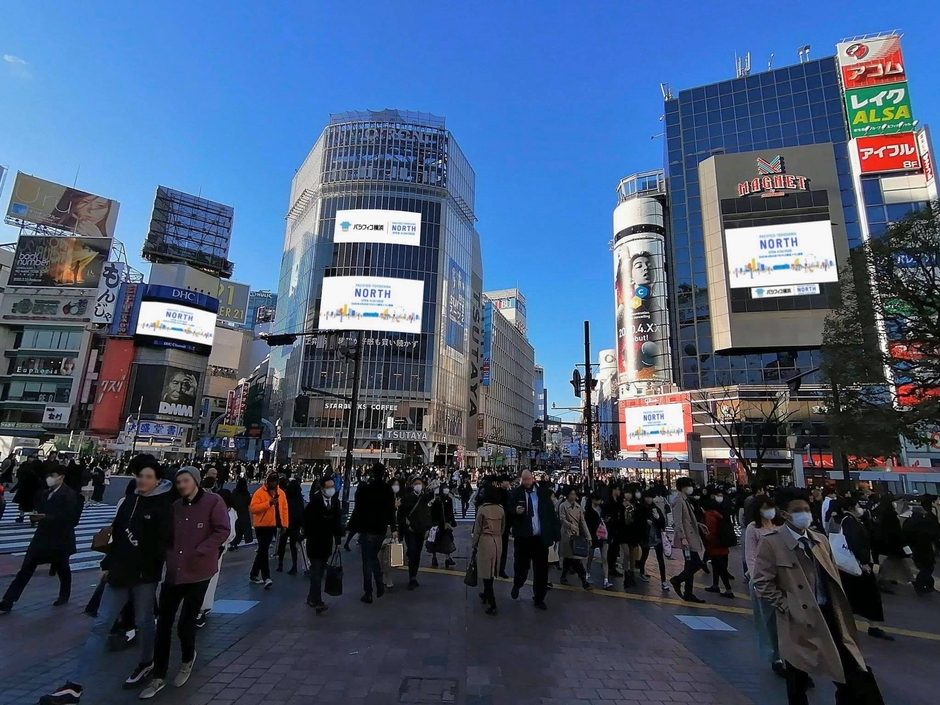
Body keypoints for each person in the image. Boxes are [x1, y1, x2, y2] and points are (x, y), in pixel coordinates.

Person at [40, 457, 174, 704]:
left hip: (144, 575)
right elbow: (117, 533)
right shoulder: (130, 501)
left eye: (148, 476)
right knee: (101, 624)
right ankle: (75, 685)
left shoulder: (164, 505)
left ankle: (146, 661)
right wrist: (108, 564)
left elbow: (164, 542)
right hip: (119, 573)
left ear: (157, 481)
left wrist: (142, 552)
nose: (142, 480)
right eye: (140, 475)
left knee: (144, 621)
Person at [752, 488, 884, 705]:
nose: (804, 514)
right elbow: (762, 582)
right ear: (784, 514)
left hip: (829, 614)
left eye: (806, 509)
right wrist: (787, 606)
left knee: (850, 668)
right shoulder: (772, 542)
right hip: (798, 619)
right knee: (798, 676)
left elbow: (833, 574)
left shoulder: (820, 540)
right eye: (797, 510)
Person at [139, 467, 230, 699]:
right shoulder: (175, 507)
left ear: (196, 482)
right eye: (179, 482)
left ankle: (187, 659)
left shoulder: (213, 501)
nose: (181, 485)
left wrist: (203, 550)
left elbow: (222, 530)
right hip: (174, 572)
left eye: (186, 481)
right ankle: (159, 674)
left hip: (199, 572)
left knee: (185, 623)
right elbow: (166, 535)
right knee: (164, 624)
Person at [1, 462, 82, 615]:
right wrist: (36, 517)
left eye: (52, 476)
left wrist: (45, 517)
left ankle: (64, 594)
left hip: (59, 539)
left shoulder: (70, 495)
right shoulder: (44, 493)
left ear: (61, 477)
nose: (49, 479)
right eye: (48, 476)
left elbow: (71, 518)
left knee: (62, 568)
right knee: (26, 569)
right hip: (41, 538)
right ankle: (8, 600)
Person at [834, 495, 894, 642]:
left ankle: (847, 625)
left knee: (851, 597)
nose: (859, 508)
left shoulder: (842, 520)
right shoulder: (850, 522)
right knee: (869, 596)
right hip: (856, 566)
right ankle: (871, 626)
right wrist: (864, 562)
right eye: (856, 505)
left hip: (847, 565)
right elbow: (855, 542)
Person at [744, 494, 786, 678]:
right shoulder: (753, 528)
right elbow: (750, 556)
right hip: (764, 580)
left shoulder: (781, 526)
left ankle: (790, 656)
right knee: (768, 620)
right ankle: (775, 657)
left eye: (771, 506)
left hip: (783, 579)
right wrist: (756, 580)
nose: (769, 511)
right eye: (764, 507)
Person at [508, 470, 560, 610]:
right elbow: (508, 511)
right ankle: (517, 584)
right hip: (523, 538)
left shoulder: (542, 494)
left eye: (528, 479)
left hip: (539, 538)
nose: (526, 482)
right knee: (521, 566)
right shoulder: (516, 494)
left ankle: (539, 598)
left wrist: (555, 533)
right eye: (524, 480)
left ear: (532, 479)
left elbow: (550, 515)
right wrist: (515, 511)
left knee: (541, 570)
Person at [347, 463, 396, 602]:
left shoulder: (366, 489)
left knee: (367, 560)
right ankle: (378, 582)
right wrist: (393, 527)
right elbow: (391, 510)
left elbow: (358, 510)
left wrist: (351, 526)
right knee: (372, 556)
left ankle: (369, 591)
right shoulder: (388, 490)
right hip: (381, 528)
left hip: (367, 528)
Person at [197, 489, 238, 629]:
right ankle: (203, 606)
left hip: (216, 549)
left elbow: (229, 534)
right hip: (214, 548)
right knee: (208, 578)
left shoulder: (228, 513)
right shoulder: (225, 512)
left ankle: (202, 608)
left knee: (208, 579)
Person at [303, 475, 343, 614]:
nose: (331, 489)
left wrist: (338, 540)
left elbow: (337, 522)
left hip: (327, 542)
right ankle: (317, 601)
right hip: (314, 542)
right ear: (322, 488)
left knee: (318, 572)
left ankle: (311, 597)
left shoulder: (335, 502)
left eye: (333, 486)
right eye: (328, 487)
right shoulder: (314, 502)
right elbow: (307, 522)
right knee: (317, 572)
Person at [248, 471, 289, 589]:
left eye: (275, 481)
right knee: (264, 550)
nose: (273, 483)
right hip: (261, 525)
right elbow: (253, 508)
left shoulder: (280, 493)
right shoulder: (259, 493)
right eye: (271, 481)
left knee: (262, 550)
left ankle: (254, 573)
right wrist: (268, 503)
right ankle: (267, 577)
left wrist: (284, 524)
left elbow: (284, 509)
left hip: (273, 525)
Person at [670, 477, 707, 604]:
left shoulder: (685, 500)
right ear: (682, 487)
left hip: (690, 536)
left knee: (690, 564)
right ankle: (677, 580)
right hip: (687, 538)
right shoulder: (679, 501)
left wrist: (698, 525)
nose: (691, 488)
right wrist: (683, 538)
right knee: (696, 563)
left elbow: (687, 520)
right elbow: (678, 521)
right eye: (688, 486)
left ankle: (688, 593)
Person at [472, 483, 506, 615]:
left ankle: (492, 602)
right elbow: (503, 528)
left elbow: (477, 529)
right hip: (497, 541)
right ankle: (486, 594)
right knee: (492, 569)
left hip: (485, 540)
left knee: (485, 571)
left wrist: (474, 543)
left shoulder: (482, 509)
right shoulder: (501, 509)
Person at [398, 475, 433, 590]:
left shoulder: (425, 498)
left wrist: (428, 528)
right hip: (410, 530)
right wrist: (401, 531)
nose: (418, 486)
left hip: (421, 530)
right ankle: (411, 578)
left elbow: (428, 514)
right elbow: (401, 514)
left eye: (420, 483)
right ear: (412, 486)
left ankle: (414, 575)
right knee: (413, 552)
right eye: (416, 484)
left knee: (417, 553)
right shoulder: (407, 498)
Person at [557, 488, 593, 590]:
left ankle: (564, 576)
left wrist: (588, 536)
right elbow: (562, 519)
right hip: (567, 535)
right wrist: (571, 526)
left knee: (571, 558)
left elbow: (583, 522)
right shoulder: (563, 506)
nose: (573, 496)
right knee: (574, 560)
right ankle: (584, 582)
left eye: (574, 494)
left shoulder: (578, 507)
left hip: (576, 535)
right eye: (571, 494)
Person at [905, 495, 940, 594]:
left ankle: (928, 584)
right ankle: (920, 584)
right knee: (928, 567)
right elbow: (933, 532)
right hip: (924, 546)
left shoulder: (909, 521)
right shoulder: (925, 521)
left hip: (915, 546)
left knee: (925, 566)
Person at [702, 495, 735, 598]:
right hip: (724, 546)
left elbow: (710, 532)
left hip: (715, 546)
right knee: (718, 567)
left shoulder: (708, 516)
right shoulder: (720, 514)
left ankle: (728, 590)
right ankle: (715, 585)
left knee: (720, 568)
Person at [637, 489, 669, 591]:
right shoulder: (641, 508)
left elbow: (662, 523)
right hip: (646, 537)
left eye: (651, 497)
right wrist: (645, 522)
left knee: (660, 559)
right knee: (645, 555)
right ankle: (642, 571)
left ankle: (663, 580)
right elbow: (638, 520)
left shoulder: (655, 509)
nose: (649, 499)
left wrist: (657, 518)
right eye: (647, 497)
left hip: (656, 537)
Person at [276, 479, 305, 575]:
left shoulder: (286, 496)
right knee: (293, 546)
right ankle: (294, 565)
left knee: (282, 544)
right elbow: (302, 512)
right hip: (295, 525)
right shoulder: (299, 498)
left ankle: (280, 564)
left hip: (286, 523)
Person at [585, 493, 612, 590]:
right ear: (593, 500)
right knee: (590, 557)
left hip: (603, 535)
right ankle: (587, 574)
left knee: (604, 557)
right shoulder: (588, 510)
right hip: (593, 536)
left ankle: (606, 580)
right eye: (598, 500)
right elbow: (587, 524)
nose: (599, 502)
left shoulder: (602, 509)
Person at [429, 485, 458, 569]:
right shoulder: (437, 501)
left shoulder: (448, 500)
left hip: (444, 524)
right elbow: (432, 513)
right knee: (436, 542)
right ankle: (435, 557)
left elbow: (450, 512)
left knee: (446, 541)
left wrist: (452, 521)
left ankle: (447, 558)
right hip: (438, 524)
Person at [12, 456, 43, 523]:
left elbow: (21, 481)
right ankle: (33, 519)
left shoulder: (28, 471)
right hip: (34, 492)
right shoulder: (39, 474)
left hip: (25, 491)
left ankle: (21, 517)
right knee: (34, 506)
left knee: (23, 506)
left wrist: (14, 489)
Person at [228, 478, 253, 549]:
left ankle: (234, 543)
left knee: (236, 528)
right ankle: (247, 540)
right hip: (244, 512)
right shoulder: (246, 492)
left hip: (236, 512)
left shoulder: (235, 492)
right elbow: (249, 502)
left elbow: (231, 500)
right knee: (245, 528)